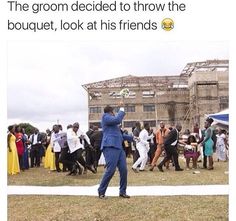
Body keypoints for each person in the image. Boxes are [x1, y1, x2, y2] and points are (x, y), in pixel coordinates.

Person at [98, 103, 133, 199]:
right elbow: (117, 119)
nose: (114, 114)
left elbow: (121, 136)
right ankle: (101, 191)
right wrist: (121, 109)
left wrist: (133, 138)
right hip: (110, 146)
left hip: (119, 148)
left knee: (123, 170)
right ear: (111, 112)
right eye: (114, 112)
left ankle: (122, 191)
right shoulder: (105, 117)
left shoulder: (114, 125)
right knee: (111, 170)